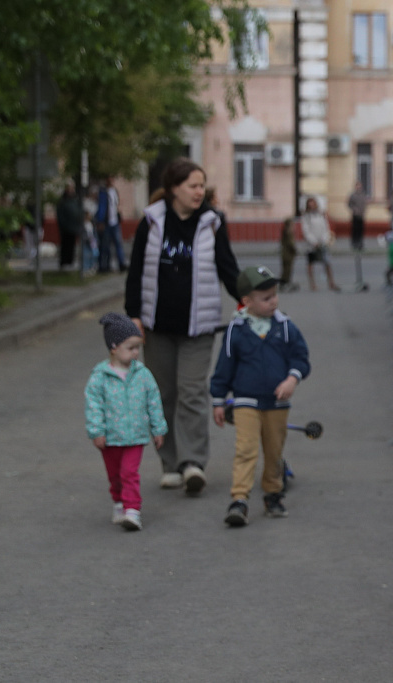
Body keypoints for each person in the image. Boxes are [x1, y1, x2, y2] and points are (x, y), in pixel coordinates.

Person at [125, 157, 241, 493]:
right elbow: (135, 271)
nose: (199, 191)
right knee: (164, 395)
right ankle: (170, 463)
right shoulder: (151, 222)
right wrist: (133, 314)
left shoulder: (212, 223)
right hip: (156, 324)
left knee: (191, 391)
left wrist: (249, 299)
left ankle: (192, 463)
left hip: (198, 325)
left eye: (202, 185)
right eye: (193, 186)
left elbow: (228, 268)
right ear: (174, 189)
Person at [210, 265, 310, 526]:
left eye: (274, 295)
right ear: (247, 302)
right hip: (245, 402)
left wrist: (292, 379)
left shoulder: (285, 327)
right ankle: (239, 499)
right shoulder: (236, 330)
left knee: (274, 451)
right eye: (266, 298)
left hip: (278, 403)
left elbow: (301, 358)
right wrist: (218, 400)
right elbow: (223, 368)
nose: (273, 301)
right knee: (245, 449)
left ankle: (273, 493)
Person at [84, 313, 168, 532]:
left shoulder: (142, 374)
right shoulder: (100, 377)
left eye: (137, 347)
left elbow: (153, 401)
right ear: (114, 347)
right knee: (115, 475)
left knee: (129, 473)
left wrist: (158, 429)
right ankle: (119, 501)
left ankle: (132, 510)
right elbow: (93, 405)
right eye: (130, 348)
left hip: (135, 437)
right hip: (110, 438)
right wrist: (96, 431)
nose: (135, 352)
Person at [301, 196, 339, 291]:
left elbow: (326, 228)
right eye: (310, 204)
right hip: (311, 245)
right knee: (310, 264)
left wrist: (325, 239)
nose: (312, 206)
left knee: (327, 263)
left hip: (322, 243)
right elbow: (306, 231)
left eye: (313, 204)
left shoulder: (321, 215)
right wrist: (313, 241)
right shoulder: (306, 216)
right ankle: (312, 284)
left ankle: (331, 283)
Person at [96, 176, 127, 273]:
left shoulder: (114, 191)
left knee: (118, 244)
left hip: (114, 222)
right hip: (106, 222)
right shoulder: (103, 192)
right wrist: (100, 221)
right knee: (105, 245)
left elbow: (116, 205)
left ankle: (121, 263)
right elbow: (102, 207)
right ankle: (104, 265)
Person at [55, 180, 83, 270]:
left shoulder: (75, 201)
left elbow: (79, 211)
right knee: (65, 246)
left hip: (74, 227)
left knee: (72, 246)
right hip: (65, 228)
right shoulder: (63, 202)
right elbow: (60, 215)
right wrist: (63, 225)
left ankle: (70, 262)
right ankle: (64, 263)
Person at [278, 216, 299, 292]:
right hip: (287, 254)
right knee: (287, 270)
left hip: (287, 254)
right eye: (292, 225)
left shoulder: (286, 232)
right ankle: (284, 283)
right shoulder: (288, 233)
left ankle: (285, 283)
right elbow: (291, 244)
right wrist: (295, 250)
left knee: (287, 270)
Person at [347, 181, 367, 251]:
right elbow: (349, 204)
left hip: (361, 215)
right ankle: (354, 243)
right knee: (355, 230)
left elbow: (365, 204)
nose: (359, 187)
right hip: (355, 215)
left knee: (361, 230)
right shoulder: (353, 195)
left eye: (360, 186)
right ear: (355, 187)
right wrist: (354, 209)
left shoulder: (363, 195)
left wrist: (364, 210)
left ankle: (360, 243)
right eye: (357, 186)